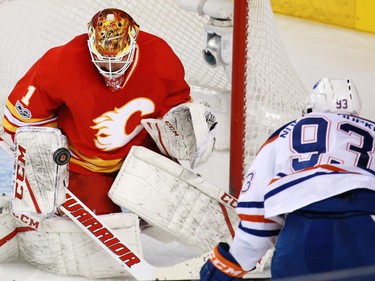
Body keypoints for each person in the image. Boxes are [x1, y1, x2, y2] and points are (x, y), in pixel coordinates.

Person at [1, 8, 193, 215]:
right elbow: (21, 121)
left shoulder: (160, 57)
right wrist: (49, 161)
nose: (110, 68)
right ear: (90, 45)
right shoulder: (62, 62)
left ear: (134, 45)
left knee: (173, 213)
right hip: (84, 166)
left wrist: (186, 139)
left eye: (119, 59)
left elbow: (178, 111)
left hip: (141, 158)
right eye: (102, 59)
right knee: (100, 231)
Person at [200, 78, 375, 280]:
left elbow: (258, 221)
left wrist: (228, 267)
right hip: (364, 227)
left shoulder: (285, 133)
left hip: (301, 235)